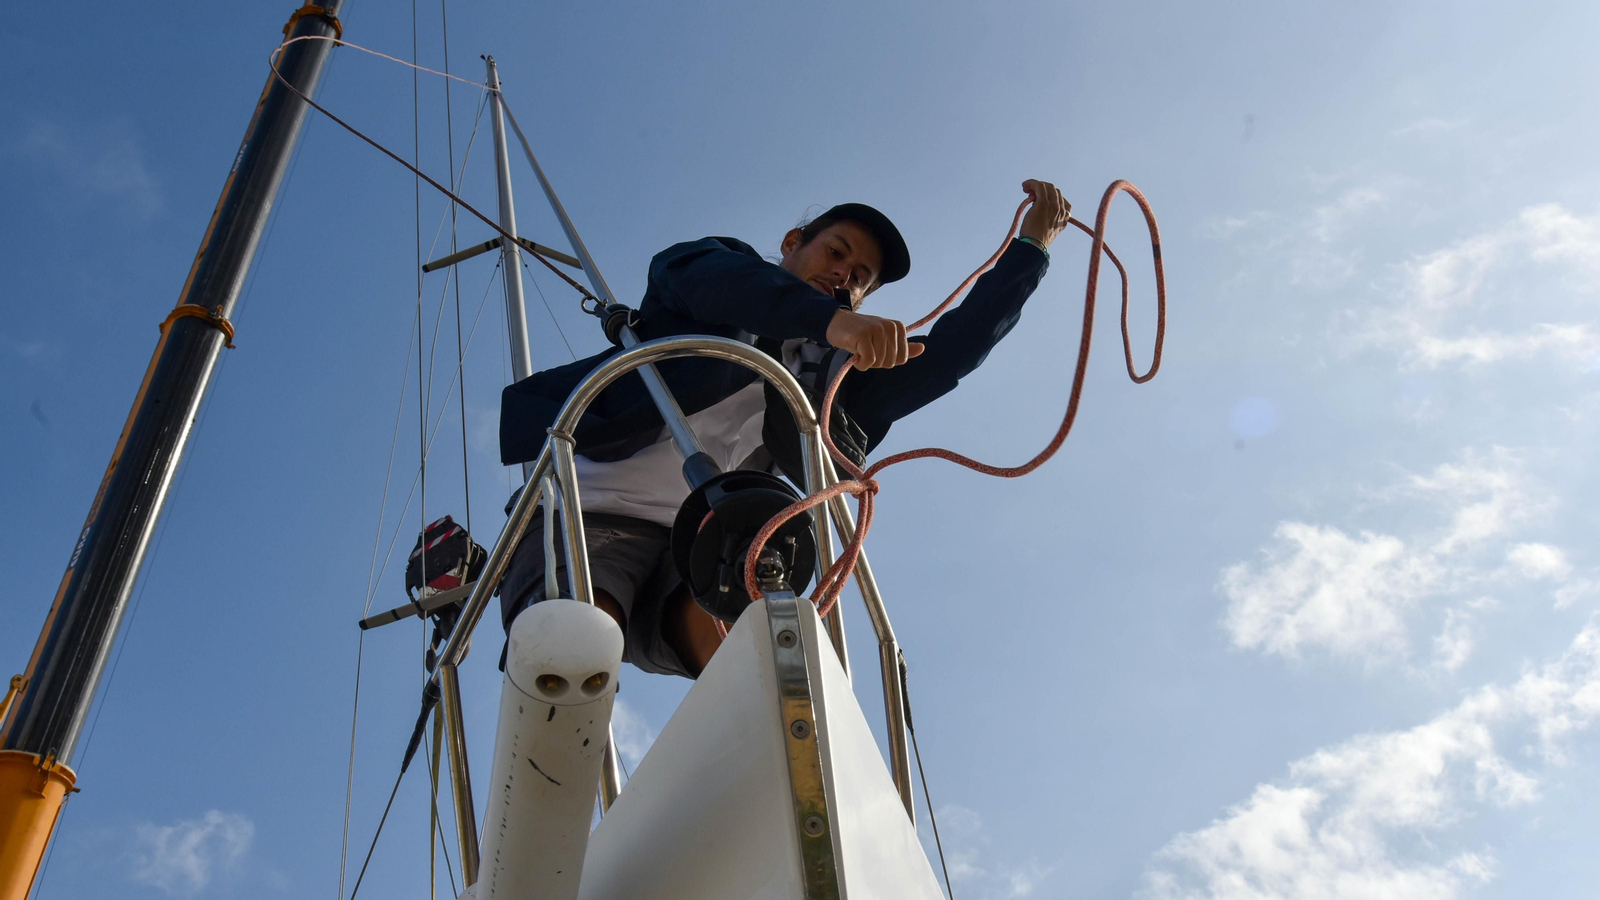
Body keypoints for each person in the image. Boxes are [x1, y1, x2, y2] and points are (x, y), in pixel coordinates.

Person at [497, 180, 1070, 679]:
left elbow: (948, 354)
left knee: (758, 655)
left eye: (860, 277)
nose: (843, 273)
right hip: (587, 511)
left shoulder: (834, 382)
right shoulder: (716, 273)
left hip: (705, 540)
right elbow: (710, 279)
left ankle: (778, 737)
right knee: (577, 640)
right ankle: (561, 694)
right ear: (793, 242)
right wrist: (831, 321)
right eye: (836, 252)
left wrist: (1031, 250)